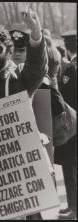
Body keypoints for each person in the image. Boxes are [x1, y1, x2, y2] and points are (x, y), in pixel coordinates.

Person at [55, 30, 77, 220]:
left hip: (73, 126)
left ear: (68, 48)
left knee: (70, 168)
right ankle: (72, 206)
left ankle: (74, 208)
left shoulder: (71, 68)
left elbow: (66, 97)